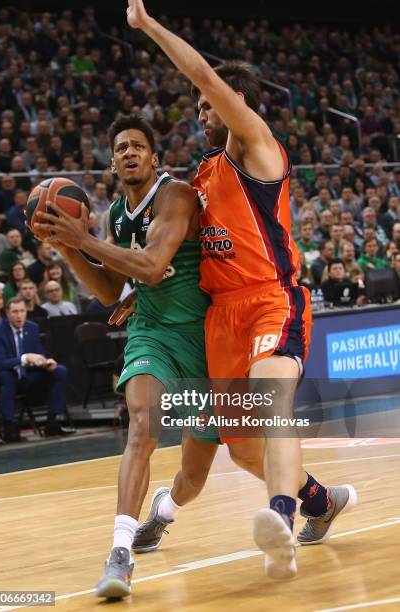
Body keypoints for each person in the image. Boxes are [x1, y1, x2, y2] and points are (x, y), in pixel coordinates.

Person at [91, 0, 356, 595]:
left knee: (270, 400)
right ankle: (320, 501)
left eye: (208, 103)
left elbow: (207, 76)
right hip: (219, 319)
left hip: (269, 299)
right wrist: (136, 284)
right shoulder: (203, 173)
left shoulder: (256, 146)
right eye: (200, 106)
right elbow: (181, 249)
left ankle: (281, 521)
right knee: (241, 451)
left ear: (237, 105)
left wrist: (148, 26)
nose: (201, 109)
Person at [32, 114, 212, 599]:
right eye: (120, 148)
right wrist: (69, 249)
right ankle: (120, 553)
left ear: (155, 157)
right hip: (151, 333)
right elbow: (112, 292)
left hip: (204, 339)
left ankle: (164, 511)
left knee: (195, 476)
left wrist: (81, 239)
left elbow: (152, 267)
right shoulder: (114, 214)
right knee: (142, 425)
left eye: (137, 145)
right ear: (113, 162)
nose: (128, 152)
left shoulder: (176, 195)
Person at [0, 297, 72, 441]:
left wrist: (45, 361)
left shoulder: (32, 327)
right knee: (8, 375)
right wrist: (25, 358)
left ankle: (52, 422)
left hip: (27, 376)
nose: (19, 315)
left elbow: (37, 352)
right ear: (7, 313)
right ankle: (9, 427)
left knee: (60, 371)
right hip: (1, 378)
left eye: (22, 311)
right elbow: (0, 363)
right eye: (15, 312)